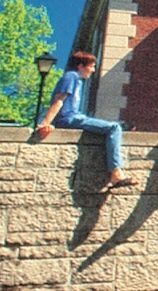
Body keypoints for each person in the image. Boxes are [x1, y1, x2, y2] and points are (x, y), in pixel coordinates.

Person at [36, 52, 135, 191]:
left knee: (117, 127)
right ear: (80, 66)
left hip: (75, 117)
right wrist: (46, 123)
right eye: (91, 66)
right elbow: (58, 100)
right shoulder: (71, 76)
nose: (93, 70)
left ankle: (122, 129)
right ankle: (116, 174)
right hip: (69, 118)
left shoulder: (75, 79)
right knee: (114, 128)